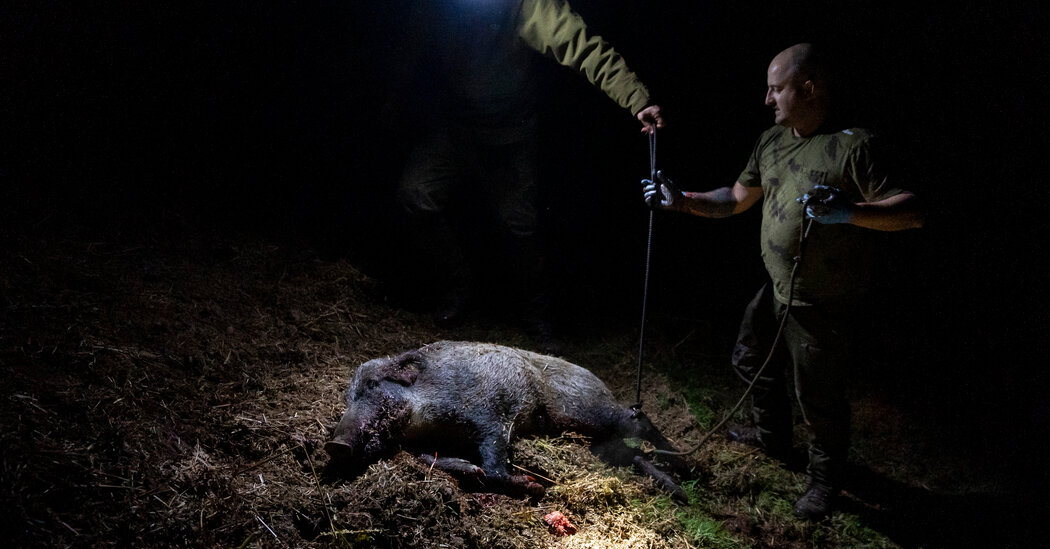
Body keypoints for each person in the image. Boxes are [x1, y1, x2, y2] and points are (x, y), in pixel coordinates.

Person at [642, 43, 923, 519]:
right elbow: (735, 197)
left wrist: (849, 212)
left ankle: (824, 483)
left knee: (819, 397)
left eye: (776, 89)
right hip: (777, 288)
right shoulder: (772, 141)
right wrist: (682, 199)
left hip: (823, 300)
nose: (767, 100)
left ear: (807, 88)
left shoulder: (854, 145)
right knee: (750, 358)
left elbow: (911, 211)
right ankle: (773, 440)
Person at [391, 0, 663, 351]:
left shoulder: (528, 7)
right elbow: (410, 42)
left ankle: (539, 320)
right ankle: (458, 285)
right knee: (415, 195)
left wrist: (636, 99)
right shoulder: (442, 8)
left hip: (509, 136)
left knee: (520, 227)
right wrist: (394, 97)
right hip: (455, 129)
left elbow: (584, 48)